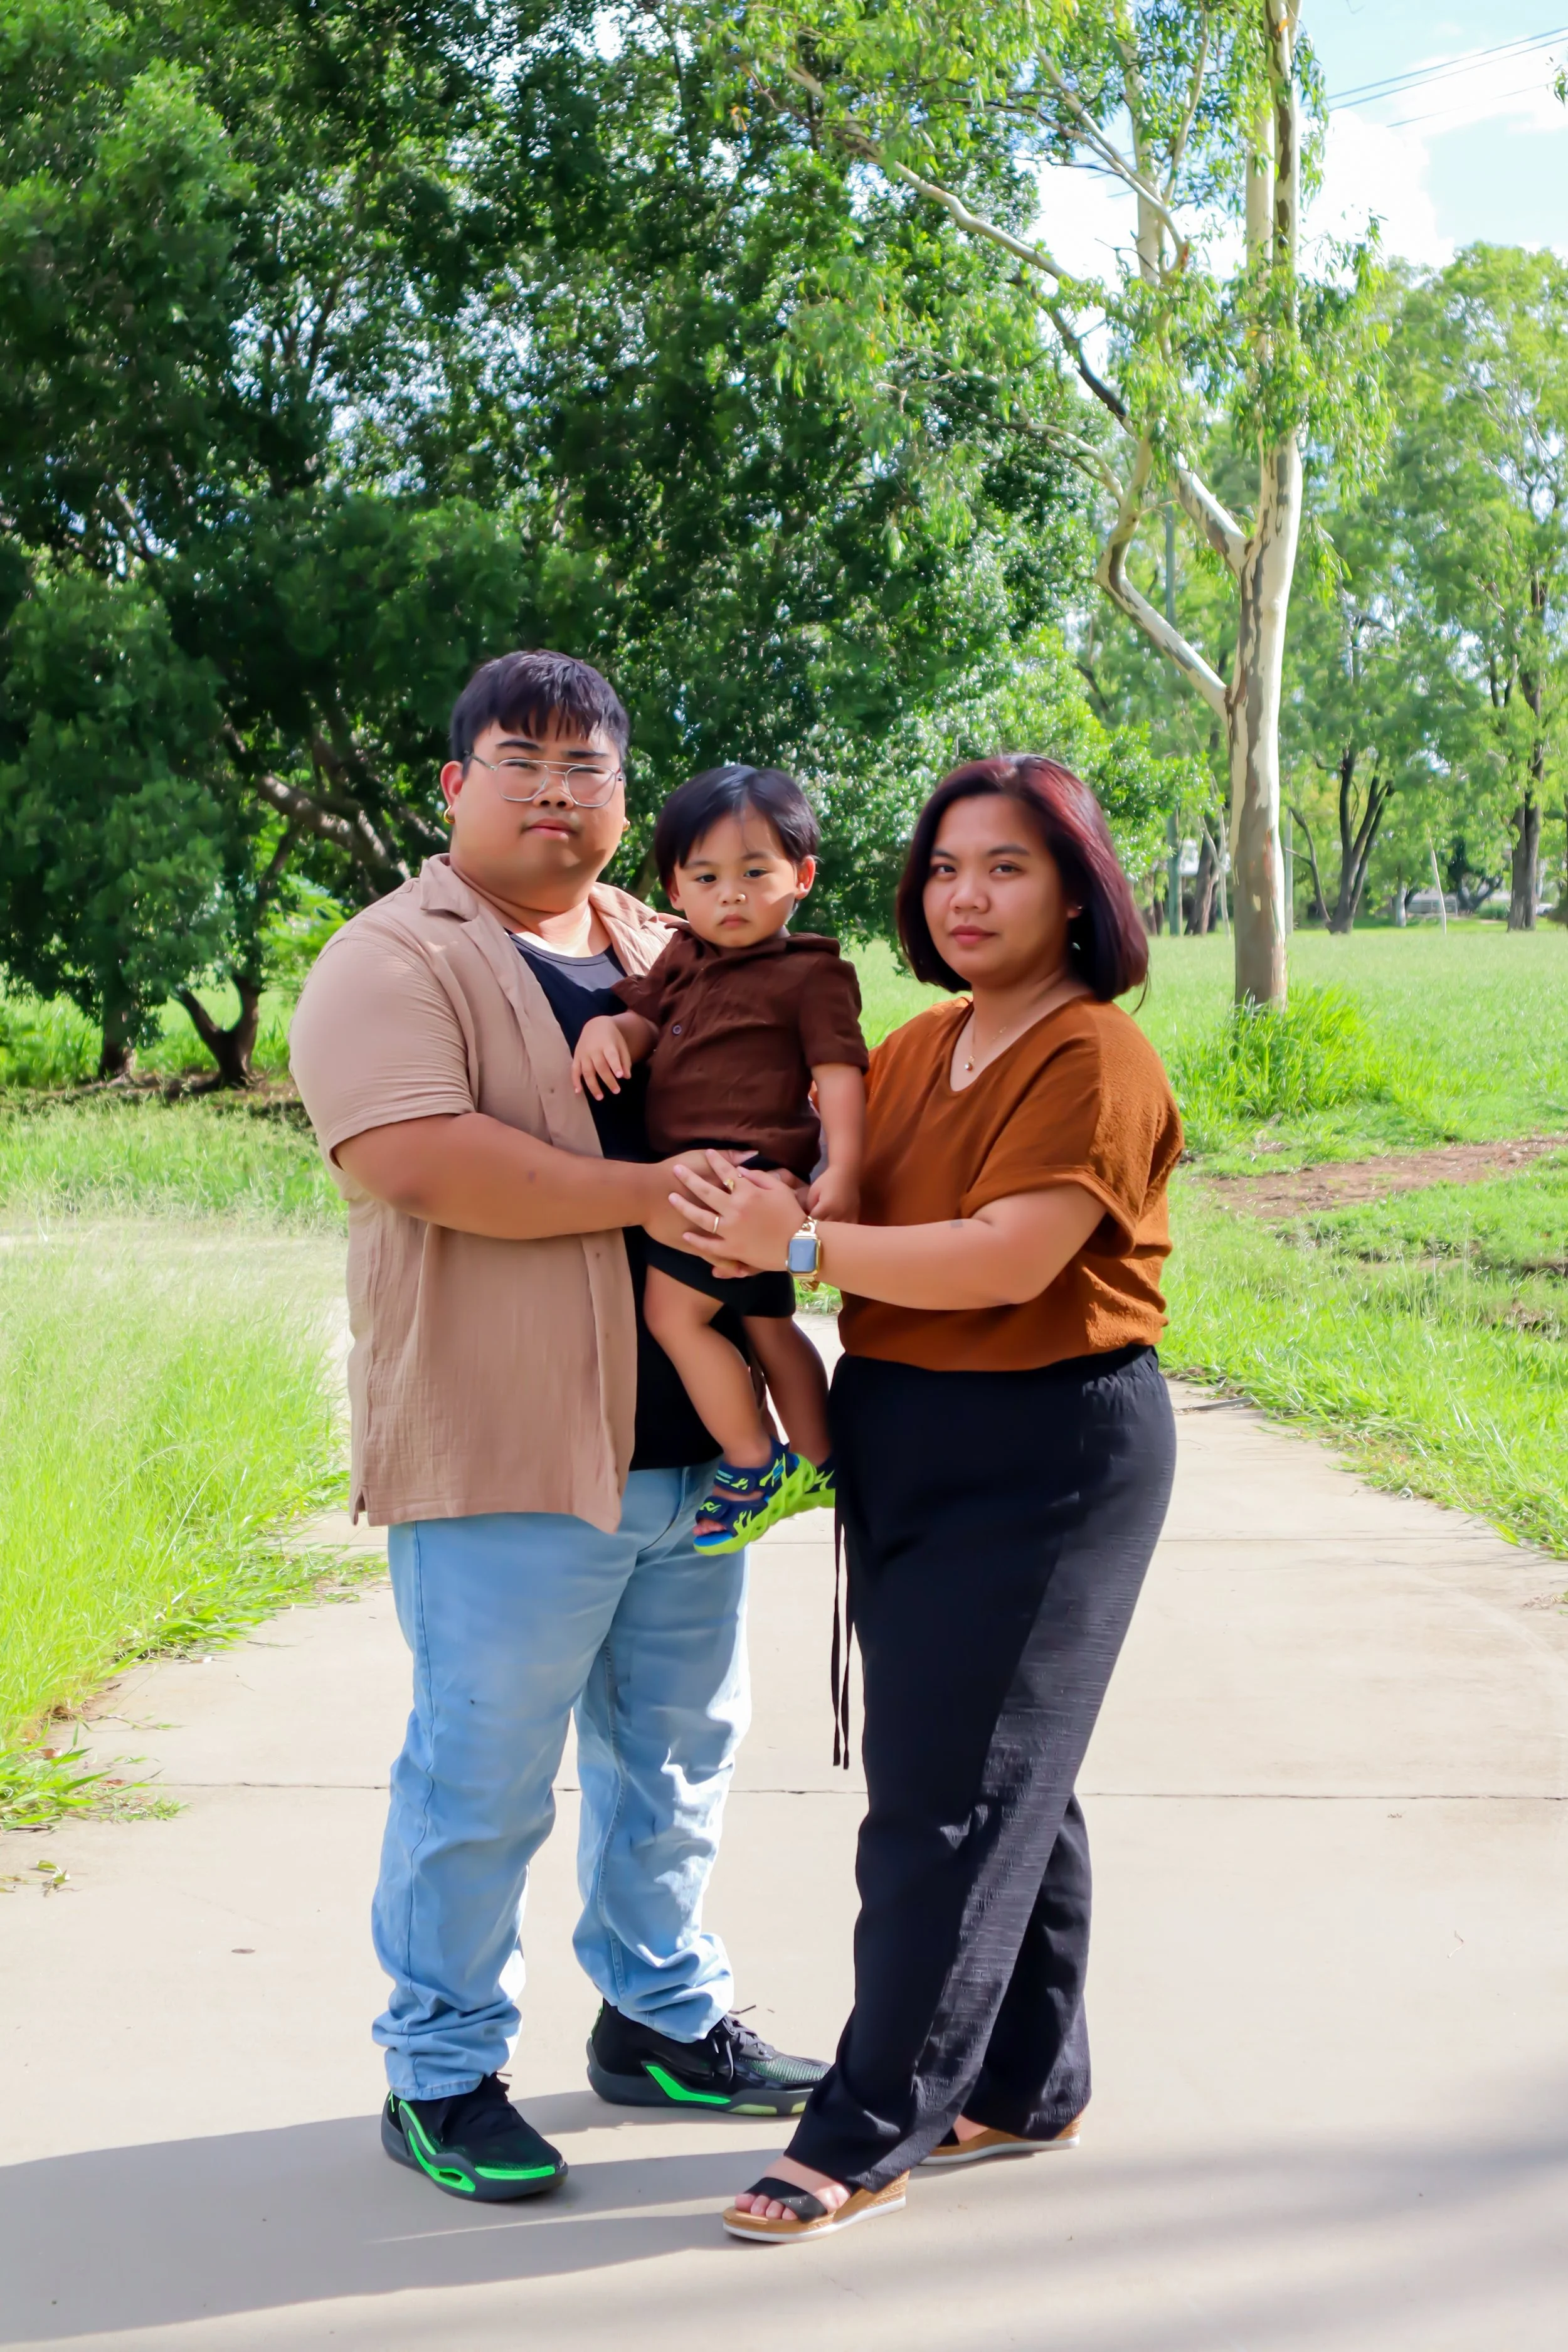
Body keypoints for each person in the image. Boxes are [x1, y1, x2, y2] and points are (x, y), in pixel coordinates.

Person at [289, 651, 826, 2210]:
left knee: (678, 1751)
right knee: (485, 1773)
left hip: (691, 1450)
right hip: (512, 1449)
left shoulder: (675, 937)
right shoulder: (394, 955)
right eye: (520, 762)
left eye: (589, 767)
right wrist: (663, 1191)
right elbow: (423, 1158)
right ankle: (441, 2064)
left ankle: (659, 2016)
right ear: (454, 786)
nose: (556, 791)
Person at [665, 754, 1183, 2245]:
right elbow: (837, 1204)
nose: (967, 892)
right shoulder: (913, 1047)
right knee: (1007, 1770)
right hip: (909, 1427)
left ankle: (867, 2118)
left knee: (942, 1800)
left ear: (1077, 889)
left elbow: (1009, 1255)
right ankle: (1026, 2077)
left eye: (1007, 866)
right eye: (948, 865)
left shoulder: (1094, 1056)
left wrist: (803, 1252)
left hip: (1049, 1447)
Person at [571, 764, 869, 1553]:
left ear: (801, 877)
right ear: (675, 887)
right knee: (765, 1325)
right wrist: (611, 1032)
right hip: (706, 1180)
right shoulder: (681, 960)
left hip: (734, 1180)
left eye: (754, 872)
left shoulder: (812, 974)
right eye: (706, 876)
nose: (729, 894)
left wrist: (842, 1167)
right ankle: (822, 1455)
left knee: (672, 1315)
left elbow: (839, 1075)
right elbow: (643, 1016)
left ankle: (752, 1460)